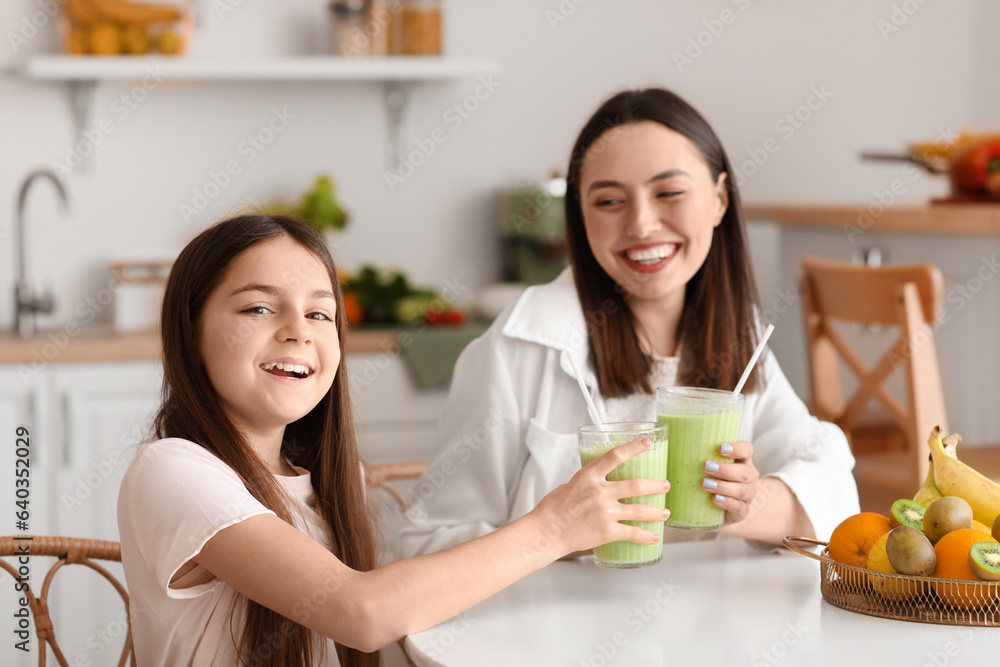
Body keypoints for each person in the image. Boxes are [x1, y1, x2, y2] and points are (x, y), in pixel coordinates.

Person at [116, 215, 670, 667]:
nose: (298, 330)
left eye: (319, 313)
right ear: (190, 331)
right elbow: (362, 613)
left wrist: (562, 543)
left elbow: (398, 613)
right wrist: (549, 529)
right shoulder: (174, 471)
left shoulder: (333, 477)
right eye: (259, 307)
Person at [395, 88, 860, 560]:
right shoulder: (521, 345)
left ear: (719, 199)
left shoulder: (738, 336)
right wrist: (555, 534)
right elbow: (422, 546)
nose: (641, 224)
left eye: (669, 193)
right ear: (578, 213)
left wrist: (746, 505)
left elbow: (828, 478)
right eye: (610, 201)